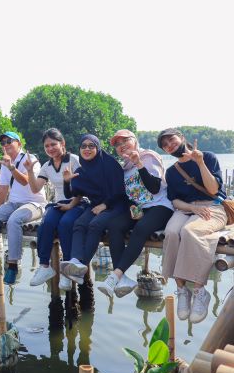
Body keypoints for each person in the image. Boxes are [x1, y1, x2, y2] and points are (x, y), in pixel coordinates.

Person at [158, 128, 227, 323]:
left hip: (212, 207)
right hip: (187, 209)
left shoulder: (208, 157)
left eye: (171, 140)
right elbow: (175, 202)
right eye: (165, 145)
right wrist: (191, 208)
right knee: (171, 232)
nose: (169, 145)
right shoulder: (171, 172)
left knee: (190, 231)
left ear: (182, 138)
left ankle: (199, 290)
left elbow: (214, 189)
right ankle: (182, 290)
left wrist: (200, 162)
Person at [97, 130, 174, 298]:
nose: (121, 145)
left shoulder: (148, 157)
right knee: (114, 225)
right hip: (142, 209)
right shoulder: (124, 167)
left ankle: (115, 275)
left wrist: (139, 164)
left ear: (135, 141)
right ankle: (122, 278)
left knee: (140, 228)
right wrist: (133, 207)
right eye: (117, 144)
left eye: (125, 140)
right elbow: (131, 195)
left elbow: (154, 188)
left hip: (161, 206)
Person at [0, 132, 46, 285]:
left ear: (19, 143)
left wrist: (12, 168)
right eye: (3, 143)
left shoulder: (30, 159)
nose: (5, 145)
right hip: (13, 204)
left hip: (34, 204)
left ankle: (12, 265)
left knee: (14, 220)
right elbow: (3, 189)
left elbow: (26, 182)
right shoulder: (4, 163)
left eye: (9, 141)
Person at [61, 135, 129, 285]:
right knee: (79, 224)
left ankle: (82, 266)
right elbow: (72, 194)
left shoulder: (111, 164)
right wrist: (66, 182)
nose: (87, 149)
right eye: (83, 146)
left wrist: (105, 205)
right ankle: (75, 260)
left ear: (98, 148)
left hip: (117, 204)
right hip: (97, 205)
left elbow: (120, 190)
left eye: (91, 146)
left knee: (95, 224)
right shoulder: (82, 169)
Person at [27, 128, 85, 290]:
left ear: (63, 143)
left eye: (53, 144)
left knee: (65, 224)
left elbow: (83, 188)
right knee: (46, 224)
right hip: (59, 203)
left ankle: (67, 270)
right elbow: (35, 188)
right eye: (47, 146)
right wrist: (30, 171)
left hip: (78, 201)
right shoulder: (46, 166)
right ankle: (45, 265)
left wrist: (71, 204)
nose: (50, 148)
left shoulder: (74, 160)